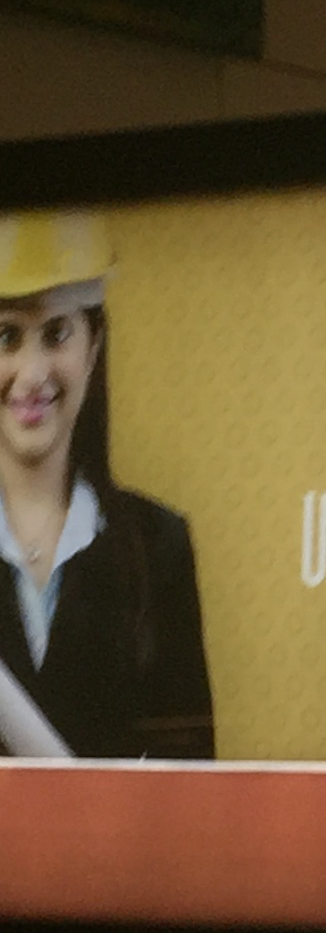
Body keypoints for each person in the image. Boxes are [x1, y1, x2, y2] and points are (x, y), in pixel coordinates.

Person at [0, 213, 213, 758]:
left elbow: (190, 776)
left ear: (93, 346)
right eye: (6, 336)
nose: (31, 373)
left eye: (57, 334)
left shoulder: (158, 546)